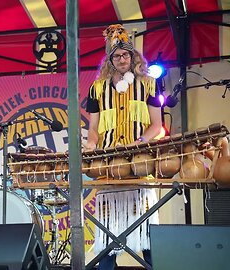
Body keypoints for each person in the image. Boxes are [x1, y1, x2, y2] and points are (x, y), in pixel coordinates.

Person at [84, 24, 162, 270]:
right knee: (109, 236)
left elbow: (157, 126)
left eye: (125, 54)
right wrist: (90, 145)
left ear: (133, 56)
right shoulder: (97, 89)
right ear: (110, 60)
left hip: (139, 166)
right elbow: (94, 128)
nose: (121, 59)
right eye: (116, 56)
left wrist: (137, 145)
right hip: (108, 170)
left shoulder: (149, 84)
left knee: (147, 238)